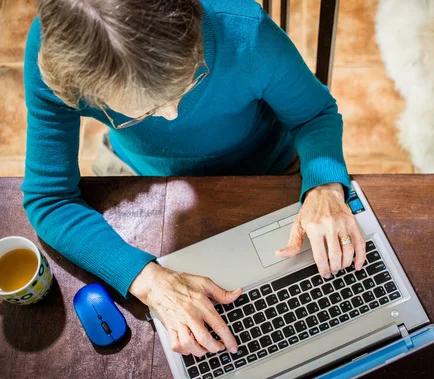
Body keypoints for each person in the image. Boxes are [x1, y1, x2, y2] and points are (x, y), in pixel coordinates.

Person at [22, 0, 366, 358]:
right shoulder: (57, 57)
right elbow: (49, 200)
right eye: (144, 113)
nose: (171, 116)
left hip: (266, 165)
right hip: (144, 175)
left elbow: (316, 113)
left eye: (188, 83)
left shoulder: (243, 28)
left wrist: (324, 186)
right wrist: (149, 282)